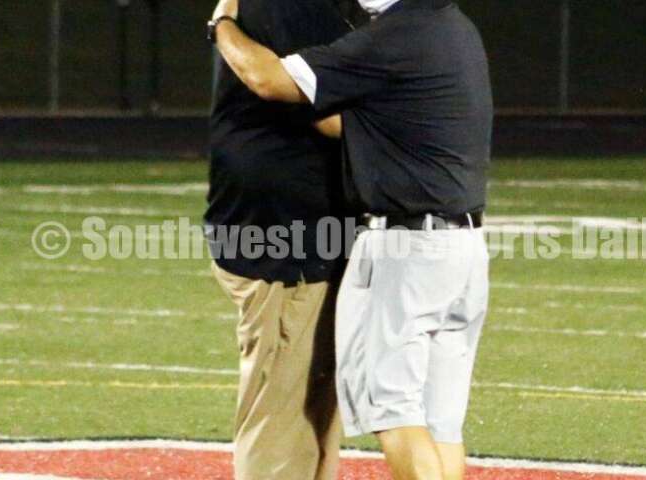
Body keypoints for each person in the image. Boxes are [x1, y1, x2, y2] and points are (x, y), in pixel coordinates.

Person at [209, 0, 493, 477]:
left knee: (395, 413)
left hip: (407, 249)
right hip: (463, 248)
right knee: (440, 423)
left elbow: (272, 81)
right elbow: (339, 116)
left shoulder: (395, 35)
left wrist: (221, 26)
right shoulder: (455, 29)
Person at [203, 1, 357, 478]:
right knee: (282, 422)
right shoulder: (289, 6)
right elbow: (324, 107)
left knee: (312, 415)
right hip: (285, 241)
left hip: (303, 235)